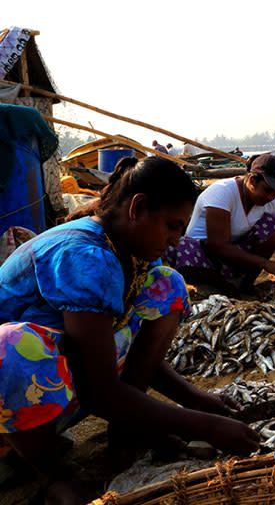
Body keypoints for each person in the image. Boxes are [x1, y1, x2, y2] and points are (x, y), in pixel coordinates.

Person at [0, 157, 259, 503]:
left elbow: (114, 350)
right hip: (12, 404)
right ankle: (53, 473)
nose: (174, 240)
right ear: (137, 208)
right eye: (171, 226)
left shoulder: (128, 251)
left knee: (166, 284)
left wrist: (194, 400)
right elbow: (99, 390)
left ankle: (126, 428)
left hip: (56, 389)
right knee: (13, 347)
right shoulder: (85, 255)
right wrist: (204, 425)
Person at [165, 153, 275, 293]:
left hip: (235, 259)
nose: (271, 197)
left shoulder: (271, 203)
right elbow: (217, 246)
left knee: (273, 224)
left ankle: (245, 284)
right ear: (252, 180)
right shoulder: (222, 192)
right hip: (204, 258)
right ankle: (223, 287)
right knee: (180, 247)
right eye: (267, 190)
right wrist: (264, 263)